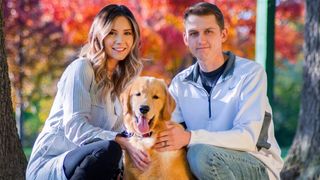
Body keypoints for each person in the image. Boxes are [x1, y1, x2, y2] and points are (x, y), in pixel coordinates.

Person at [154, 2, 283, 180]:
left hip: (256, 163)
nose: (201, 40)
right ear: (186, 39)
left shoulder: (250, 73)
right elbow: (168, 130)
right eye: (194, 33)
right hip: (205, 164)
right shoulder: (180, 83)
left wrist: (190, 137)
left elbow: (247, 138)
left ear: (223, 34)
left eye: (208, 31)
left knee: (200, 154)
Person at [26, 4, 151, 180]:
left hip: (90, 167)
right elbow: (75, 128)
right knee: (109, 148)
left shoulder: (118, 85)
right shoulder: (81, 69)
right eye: (112, 33)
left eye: (127, 33)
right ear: (99, 36)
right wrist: (121, 140)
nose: (120, 40)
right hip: (52, 165)